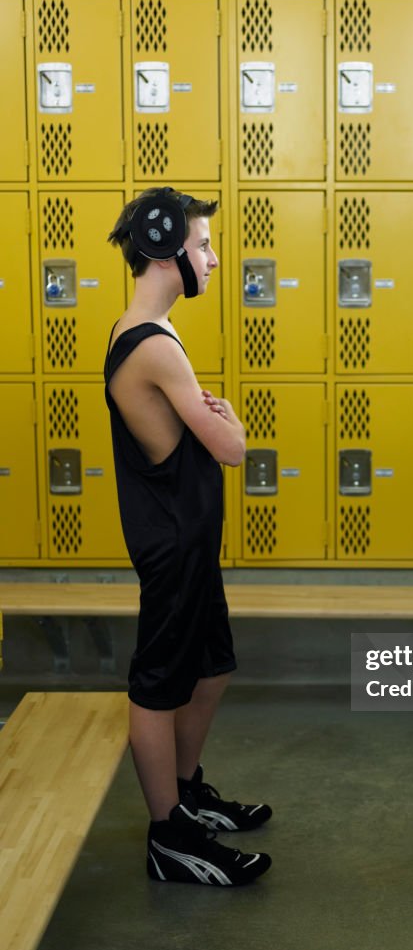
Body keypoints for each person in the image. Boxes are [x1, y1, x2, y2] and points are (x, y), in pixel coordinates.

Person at [105, 187, 272, 887]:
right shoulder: (150, 345)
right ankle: (168, 834)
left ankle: (185, 790)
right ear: (165, 245)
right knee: (159, 684)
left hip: (190, 539)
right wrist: (231, 420)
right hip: (171, 544)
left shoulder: (154, 333)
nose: (214, 257)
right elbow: (231, 448)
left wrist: (222, 421)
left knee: (212, 665)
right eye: (202, 244)